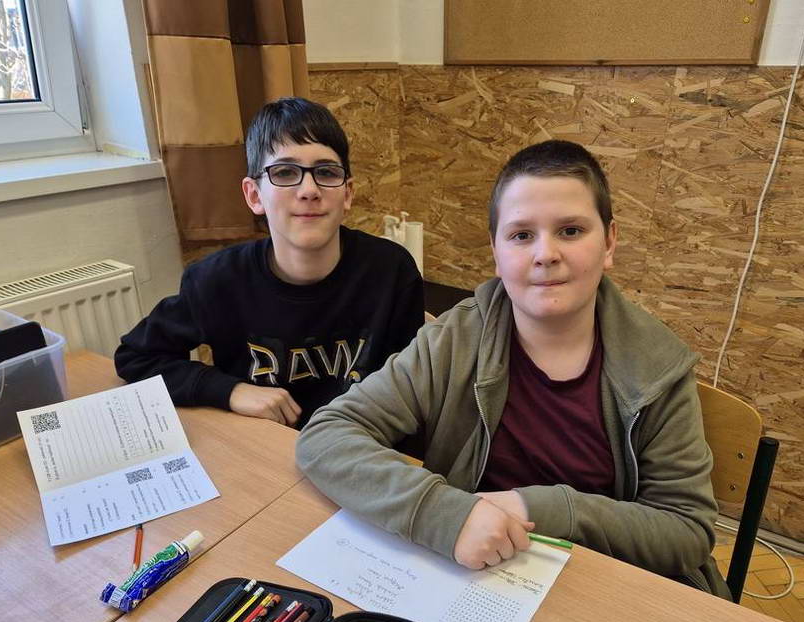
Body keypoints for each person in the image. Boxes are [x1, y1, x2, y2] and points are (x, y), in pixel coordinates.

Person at [297, 139, 730, 598]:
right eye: (522, 235)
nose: (545, 253)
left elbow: (686, 530)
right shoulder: (455, 339)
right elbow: (328, 435)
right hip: (475, 575)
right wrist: (444, 514)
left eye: (570, 230)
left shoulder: (657, 367)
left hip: (604, 588)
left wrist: (539, 507)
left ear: (609, 242)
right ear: (496, 252)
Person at [115, 98, 424, 428]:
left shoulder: (391, 271)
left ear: (347, 193)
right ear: (254, 195)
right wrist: (229, 390)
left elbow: (413, 386)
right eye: (285, 172)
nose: (309, 190)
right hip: (263, 445)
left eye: (326, 172)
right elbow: (136, 356)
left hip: (361, 441)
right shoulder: (217, 280)